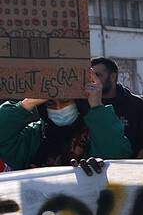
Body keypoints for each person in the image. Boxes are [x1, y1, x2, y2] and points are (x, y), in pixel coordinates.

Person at [0, 72, 132, 169]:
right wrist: (28, 102)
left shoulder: (97, 131)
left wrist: (96, 104)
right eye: (51, 104)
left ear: (78, 103)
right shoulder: (35, 135)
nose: (59, 108)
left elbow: (117, 154)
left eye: (64, 101)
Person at [90, 57, 143, 157]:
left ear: (112, 77)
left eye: (98, 75)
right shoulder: (86, 104)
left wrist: (133, 169)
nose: (93, 80)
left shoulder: (135, 104)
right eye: (91, 76)